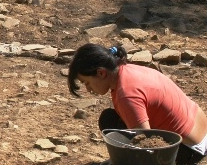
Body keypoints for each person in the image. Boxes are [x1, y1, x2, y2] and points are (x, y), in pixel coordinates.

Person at [68, 43, 207, 164]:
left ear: (101, 73)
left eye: (87, 82)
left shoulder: (127, 94)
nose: (88, 89)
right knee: (111, 118)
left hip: (188, 150)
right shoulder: (127, 70)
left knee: (111, 124)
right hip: (201, 134)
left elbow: (146, 144)